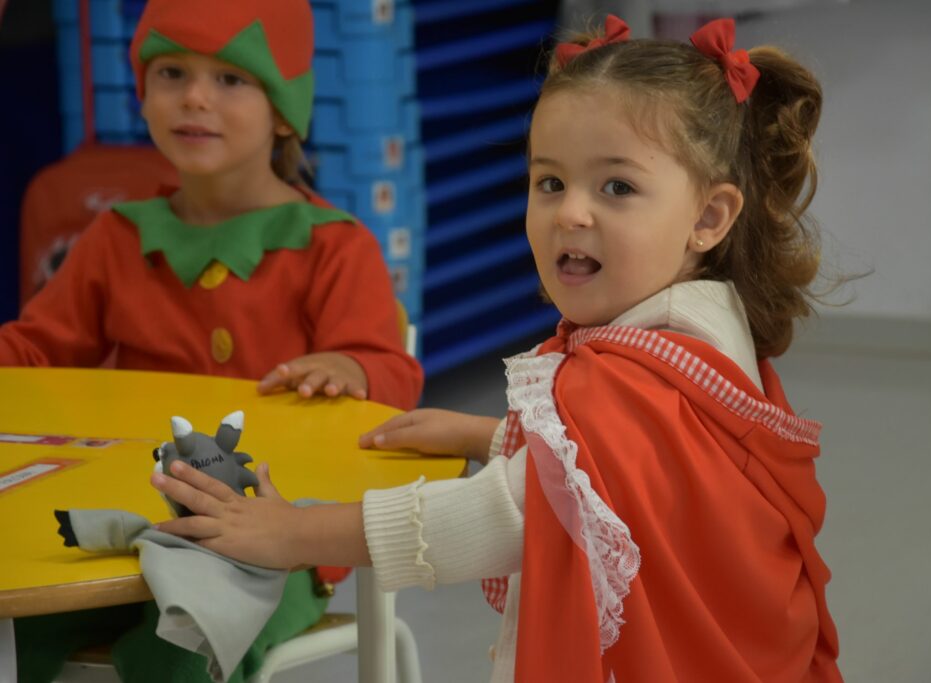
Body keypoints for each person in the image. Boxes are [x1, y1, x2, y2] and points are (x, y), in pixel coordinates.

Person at [152, 15, 844, 682]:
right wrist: (493, 432)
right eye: (550, 182)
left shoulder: (629, 381)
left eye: (617, 186)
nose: (571, 211)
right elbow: (643, 471)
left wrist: (291, 534)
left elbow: (502, 516)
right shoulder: (701, 328)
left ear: (708, 216)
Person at [7, 0, 422, 681]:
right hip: (130, 516)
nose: (195, 97)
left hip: (273, 541)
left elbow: (391, 377)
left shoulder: (334, 247)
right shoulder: (117, 238)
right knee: (22, 626)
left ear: (285, 111)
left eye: (231, 79)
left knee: (174, 644)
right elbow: (34, 353)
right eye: (171, 72)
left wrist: (350, 366)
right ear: (142, 94)